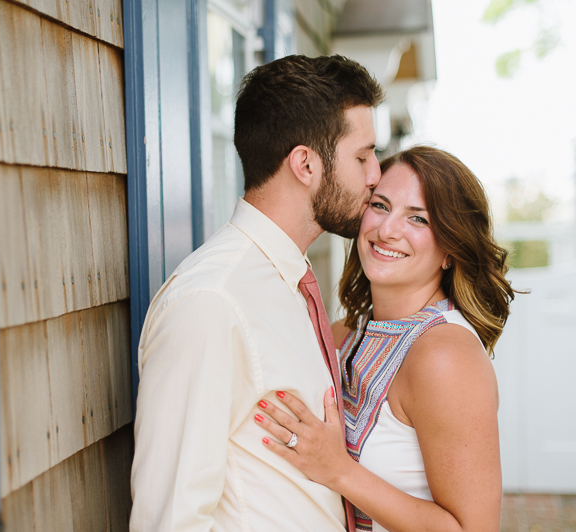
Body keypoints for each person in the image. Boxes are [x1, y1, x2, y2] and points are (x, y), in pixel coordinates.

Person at [130, 55, 384, 531]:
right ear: (305, 164)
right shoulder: (211, 302)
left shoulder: (286, 281)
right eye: (363, 156)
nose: (376, 175)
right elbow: (170, 520)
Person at [255, 146, 516, 532]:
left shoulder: (444, 355)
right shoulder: (344, 333)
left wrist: (338, 471)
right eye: (380, 205)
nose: (387, 229)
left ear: (450, 250)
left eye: (418, 219)